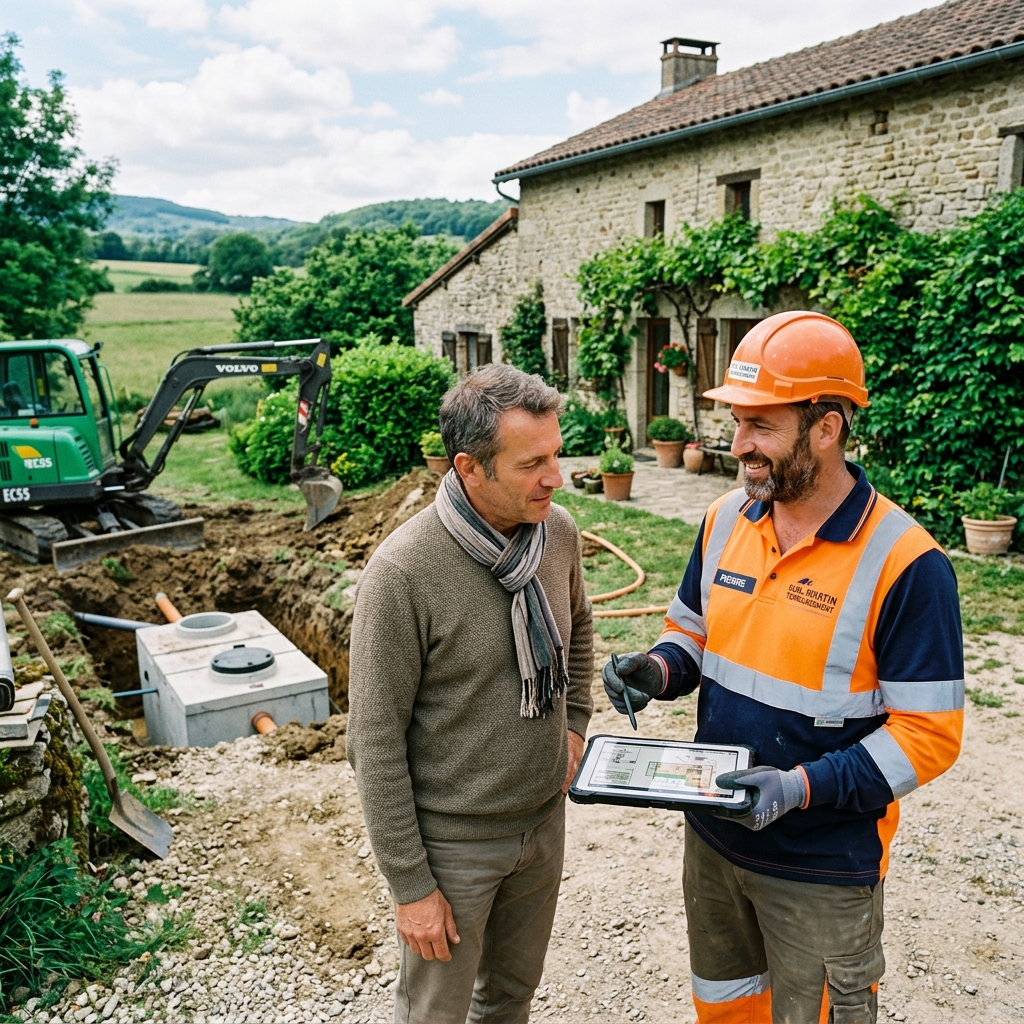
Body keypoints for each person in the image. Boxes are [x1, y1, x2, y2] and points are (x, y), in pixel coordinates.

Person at [603, 311, 963, 1024]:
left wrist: (801, 788)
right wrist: (657, 669)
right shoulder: (724, 519)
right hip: (714, 840)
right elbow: (692, 636)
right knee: (727, 1010)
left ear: (825, 426)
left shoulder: (908, 563)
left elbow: (929, 736)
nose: (739, 445)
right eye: (737, 422)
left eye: (760, 425)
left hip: (821, 867)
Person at [347, 363, 593, 1024]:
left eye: (556, 455)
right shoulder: (402, 574)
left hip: (541, 825)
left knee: (510, 1000)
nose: (555, 477)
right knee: (435, 1014)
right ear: (470, 467)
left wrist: (573, 726)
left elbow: (582, 631)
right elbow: (373, 740)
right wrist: (411, 886)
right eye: (532, 462)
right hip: (453, 848)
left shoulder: (557, 535)